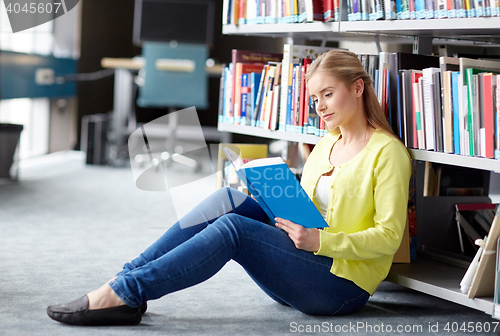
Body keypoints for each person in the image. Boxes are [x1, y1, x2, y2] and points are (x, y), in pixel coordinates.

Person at [47, 49, 412, 326]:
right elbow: (311, 209)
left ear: (358, 87)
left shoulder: (388, 153)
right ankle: (124, 277)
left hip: (339, 287)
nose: (319, 107)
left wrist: (322, 242)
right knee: (229, 200)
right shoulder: (325, 143)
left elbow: (388, 237)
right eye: (315, 99)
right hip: (303, 263)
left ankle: (124, 294)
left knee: (233, 230)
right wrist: (270, 194)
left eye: (327, 95)